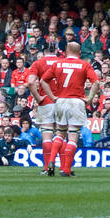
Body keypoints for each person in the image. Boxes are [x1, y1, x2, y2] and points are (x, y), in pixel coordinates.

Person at [40, 41, 99, 177]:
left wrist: (52, 97)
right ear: (79, 52)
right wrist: (90, 98)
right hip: (76, 101)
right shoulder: (84, 64)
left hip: (60, 101)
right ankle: (65, 169)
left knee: (60, 133)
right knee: (72, 136)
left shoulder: (58, 64)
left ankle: (51, 161)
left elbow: (43, 81)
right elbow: (95, 82)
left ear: (66, 51)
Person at [26, 44, 61, 174]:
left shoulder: (38, 62)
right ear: (57, 50)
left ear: (44, 51)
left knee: (47, 136)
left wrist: (38, 97)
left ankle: (47, 167)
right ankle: (64, 168)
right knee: (61, 135)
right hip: (62, 101)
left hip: (46, 101)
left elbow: (30, 82)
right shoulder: (62, 62)